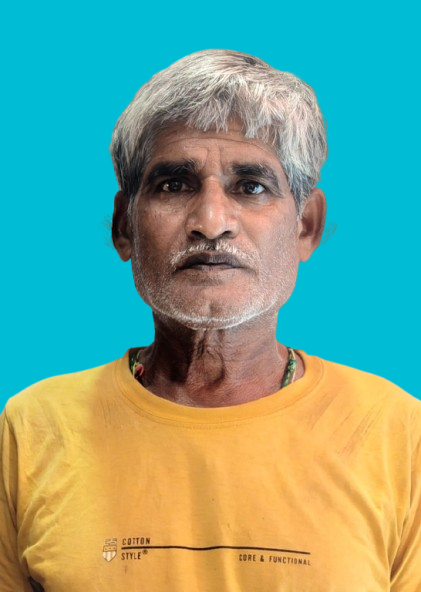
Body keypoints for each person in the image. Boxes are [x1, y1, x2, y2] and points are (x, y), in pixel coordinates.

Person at [1, 50, 420, 592]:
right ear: (124, 227)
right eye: (174, 185)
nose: (211, 222)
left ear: (306, 227)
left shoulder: (397, 434)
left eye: (251, 186)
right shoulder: (32, 430)